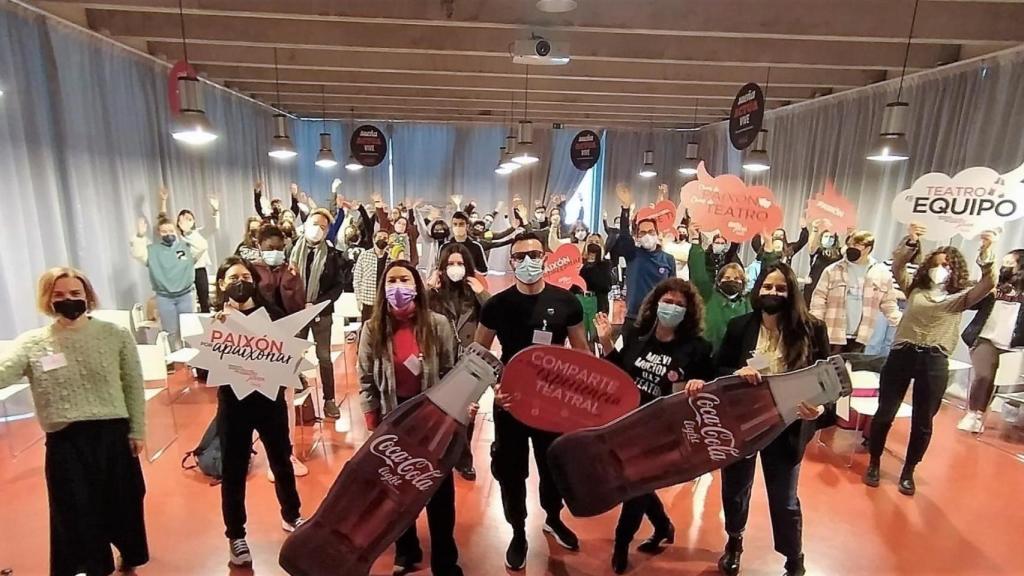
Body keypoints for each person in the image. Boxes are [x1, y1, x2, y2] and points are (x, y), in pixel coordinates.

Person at [0, 267, 148, 576]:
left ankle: (129, 554)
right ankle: (95, 566)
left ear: (88, 296)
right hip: (66, 440)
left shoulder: (114, 334)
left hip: (113, 434)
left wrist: (137, 429)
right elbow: (4, 373)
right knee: (76, 509)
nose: (69, 300)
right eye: (59, 295)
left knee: (124, 501)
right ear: (47, 300)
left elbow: (132, 383)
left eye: (75, 294)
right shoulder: (32, 342)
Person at [692, 262, 831, 576]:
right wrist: (736, 374)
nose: (773, 293)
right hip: (743, 422)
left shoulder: (813, 328)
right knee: (735, 488)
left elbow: (827, 380)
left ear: (792, 292)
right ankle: (734, 541)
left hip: (789, 425)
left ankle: (794, 560)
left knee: (784, 499)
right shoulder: (741, 326)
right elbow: (719, 369)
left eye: (781, 288)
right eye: (767, 287)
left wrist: (820, 409)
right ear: (757, 290)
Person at [475, 232, 590, 571]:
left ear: (546, 256)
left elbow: (581, 354)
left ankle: (553, 517)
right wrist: (495, 386)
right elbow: (480, 354)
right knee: (511, 470)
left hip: (552, 404)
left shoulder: (568, 303)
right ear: (511, 262)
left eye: (534, 254)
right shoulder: (496, 305)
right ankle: (518, 531)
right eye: (520, 256)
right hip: (510, 402)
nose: (527, 261)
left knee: (552, 465)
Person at [594, 278, 714, 574]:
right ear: (656, 303)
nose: (671, 308)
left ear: (689, 312)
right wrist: (607, 341)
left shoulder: (698, 348)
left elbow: (707, 386)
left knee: (634, 484)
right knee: (636, 482)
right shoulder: (637, 335)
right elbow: (619, 375)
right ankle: (663, 526)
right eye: (667, 301)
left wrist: (700, 383)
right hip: (628, 422)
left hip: (663, 428)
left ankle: (622, 543)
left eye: (679, 305)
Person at [864, 225, 996, 495]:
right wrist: (912, 241)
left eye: (946, 265)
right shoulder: (914, 289)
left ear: (955, 269)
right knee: (884, 412)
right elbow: (899, 262)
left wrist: (986, 250)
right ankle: (874, 462)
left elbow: (988, 282)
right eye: (936, 264)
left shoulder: (961, 298)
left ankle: (908, 471)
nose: (941, 268)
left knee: (923, 420)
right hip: (903, 354)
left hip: (934, 360)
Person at [358, 260, 463, 576]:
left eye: (404, 279)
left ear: (417, 285)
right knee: (397, 490)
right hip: (393, 417)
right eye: (391, 280)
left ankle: (445, 557)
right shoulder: (372, 329)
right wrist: (372, 420)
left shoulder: (439, 325)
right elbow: (365, 377)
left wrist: (453, 413)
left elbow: (453, 370)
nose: (398, 286)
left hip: (433, 419)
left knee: (438, 489)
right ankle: (406, 551)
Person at [211, 257, 304, 567]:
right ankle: (235, 535)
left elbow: (289, 356)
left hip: (269, 403)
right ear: (222, 284)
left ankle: (292, 515)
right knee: (234, 472)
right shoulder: (216, 323)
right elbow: (205, 371)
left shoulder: (273, 315)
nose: (239, 281)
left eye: (244, 275)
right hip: (233, 407)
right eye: (232, 277)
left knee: (282, 461)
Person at [428, 243, 491, 481]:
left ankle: (464, 459)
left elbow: (495, 312)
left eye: (460, 264)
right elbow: (417, 312)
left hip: (470, 363)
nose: (455, 268)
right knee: (440, 413)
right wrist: (427, 287)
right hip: (440, 360)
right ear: (442, 268)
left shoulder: (472, 294)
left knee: (467, 414)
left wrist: (481, 292)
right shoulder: (434, 294)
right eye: (451, 264)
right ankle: (441, 455)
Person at [252, 224, 310, 480]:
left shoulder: (292, 271)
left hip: (286, 344)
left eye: (278, 249)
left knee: (285, 403)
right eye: (269, 249)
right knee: (261, 403)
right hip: (258, 346)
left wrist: (290, 279)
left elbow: (297, 307)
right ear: (259, 247)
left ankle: (288, 454)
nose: (274, 253)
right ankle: (270, 457)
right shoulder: (250, 272)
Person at [958, 248, 1024, 433]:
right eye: (1004, 263)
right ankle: (973, 414)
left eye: (1010, 263)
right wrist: (986, 290)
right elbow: (973, 303)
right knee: (984, 376)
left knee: (1000, 381)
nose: (1006, 267)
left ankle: (986, 413)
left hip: (1014, 343)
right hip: (986, 337)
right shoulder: (993, 284)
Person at [289, 208, 346, 419]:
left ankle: (329, 400)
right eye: (314, 225)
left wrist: (317, 304)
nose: (317, 230)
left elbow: (338, 287)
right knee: (293, 353)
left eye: (323, 227)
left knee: (324, 357)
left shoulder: (332, 256)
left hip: (321, 313)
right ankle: (294, 388)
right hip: (296, 312)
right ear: (306, 225)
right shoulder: (291, 250)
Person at [809, 230, 902, 354]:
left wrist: (902, 324)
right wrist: (815, 324)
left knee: (851, 370)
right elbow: (819, 299)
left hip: (861, 336)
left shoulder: (881, 273)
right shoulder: (833, 270)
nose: (851, 248)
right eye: (850, 244)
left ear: (868, 248)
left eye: (856, 245)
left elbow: (889, 303)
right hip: (833, 332)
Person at [609, 185, 676, 342]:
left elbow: (673, 291)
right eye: (643, 232)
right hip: (634, 318)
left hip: (660, 320)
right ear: (637, 236)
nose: (647, 236)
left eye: (651, 232)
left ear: (657, 234)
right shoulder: (633, 254)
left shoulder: (668, 259)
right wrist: (625, 209)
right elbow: (624, 235)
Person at [130, 215, 196, 351]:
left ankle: (193, 363)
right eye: (164, 231)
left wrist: (189, 232)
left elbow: (202, 247)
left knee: (189, 331)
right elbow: (138, 254)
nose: (168, 234)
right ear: (158, 233)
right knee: (170, 332)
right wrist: (140, 236)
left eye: (171, 231)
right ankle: (177, 362)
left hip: (185, 295)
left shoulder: (186, 246)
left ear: (176, 231)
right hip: (165, 297)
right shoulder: (152, 251)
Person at [689, 247, 752, 353]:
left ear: (743, 283)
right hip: (707, 355)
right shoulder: (708, 296)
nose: (732, 281)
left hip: (734, 358)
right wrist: (695, 243)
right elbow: (698, 274)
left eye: (737, 279)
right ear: (718, 281)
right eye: (727, 278)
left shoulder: (747, 303)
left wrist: (768, 247)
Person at [167, 186, 219, 313]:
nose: (187, 222)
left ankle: (205, 323)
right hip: (184, 272)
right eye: (183, 220)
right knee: (186, 300)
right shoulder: (177, 238)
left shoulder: (199, 234)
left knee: (204, 299)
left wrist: (215, 210)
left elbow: (213, 227)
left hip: (199, 270)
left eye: (190, 219)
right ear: (178, 223)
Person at [354, 229, 391, 322]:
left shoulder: (391, 258)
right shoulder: (364, 256)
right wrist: (359, 299)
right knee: (367, 331)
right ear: (374, 239)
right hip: (367, 301)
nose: (382, 239)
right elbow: (357, 279)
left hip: (385, 302)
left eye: (385, 238)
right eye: (379, 237)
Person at [802, 223, 842, 303]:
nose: (828, 239)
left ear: (835, 240)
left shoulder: (839, 254)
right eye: (826, 236)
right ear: (821, 238)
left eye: (831, 237)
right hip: (813, 287)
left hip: (830, 289)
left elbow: (847, 249)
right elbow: (811, 247)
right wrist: (815, 229)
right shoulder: (817, 252)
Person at [580, 241, 614, 315]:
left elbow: (606, 286)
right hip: (580, 300)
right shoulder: (578, 263)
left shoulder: (605, 265)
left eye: (597, 242)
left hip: (598, 302)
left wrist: (592, 267)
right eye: (590, 241)